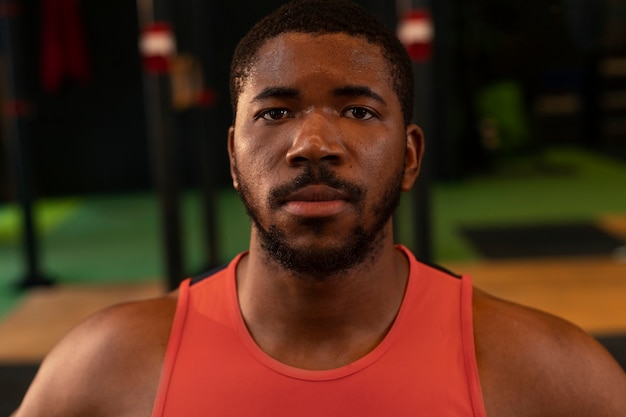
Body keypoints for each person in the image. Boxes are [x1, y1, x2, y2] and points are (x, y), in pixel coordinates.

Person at [13, 0, 626, 416]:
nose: (312, 145)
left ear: (411, 157)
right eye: (275, 112)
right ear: (232, 157)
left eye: (357, 111)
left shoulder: (546, 371)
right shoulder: (106, 367)